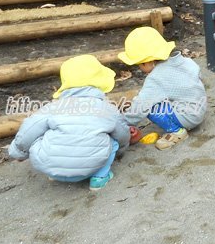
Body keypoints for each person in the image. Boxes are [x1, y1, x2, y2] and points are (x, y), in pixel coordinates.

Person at [8, 55, 131, 191]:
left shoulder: (52, 107)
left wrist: (18, 152)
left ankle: (54, 174)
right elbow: (122, 133)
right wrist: (122, 148)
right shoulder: (107, 109)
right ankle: (99, 178)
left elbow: (28, 131)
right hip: (90, 166)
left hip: (49, 167)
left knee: (39, 132)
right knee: (113, 140)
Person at [119, 27, 207, 150]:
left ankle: (177, 132)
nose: (140, 68)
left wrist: (123, 123)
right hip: (200, 108)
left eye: (139, 65)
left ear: (147, 62)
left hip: (188, 118)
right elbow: (199, 77)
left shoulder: (156, 77)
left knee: (151, 108)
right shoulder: (186, 61)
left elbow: (141, 106)